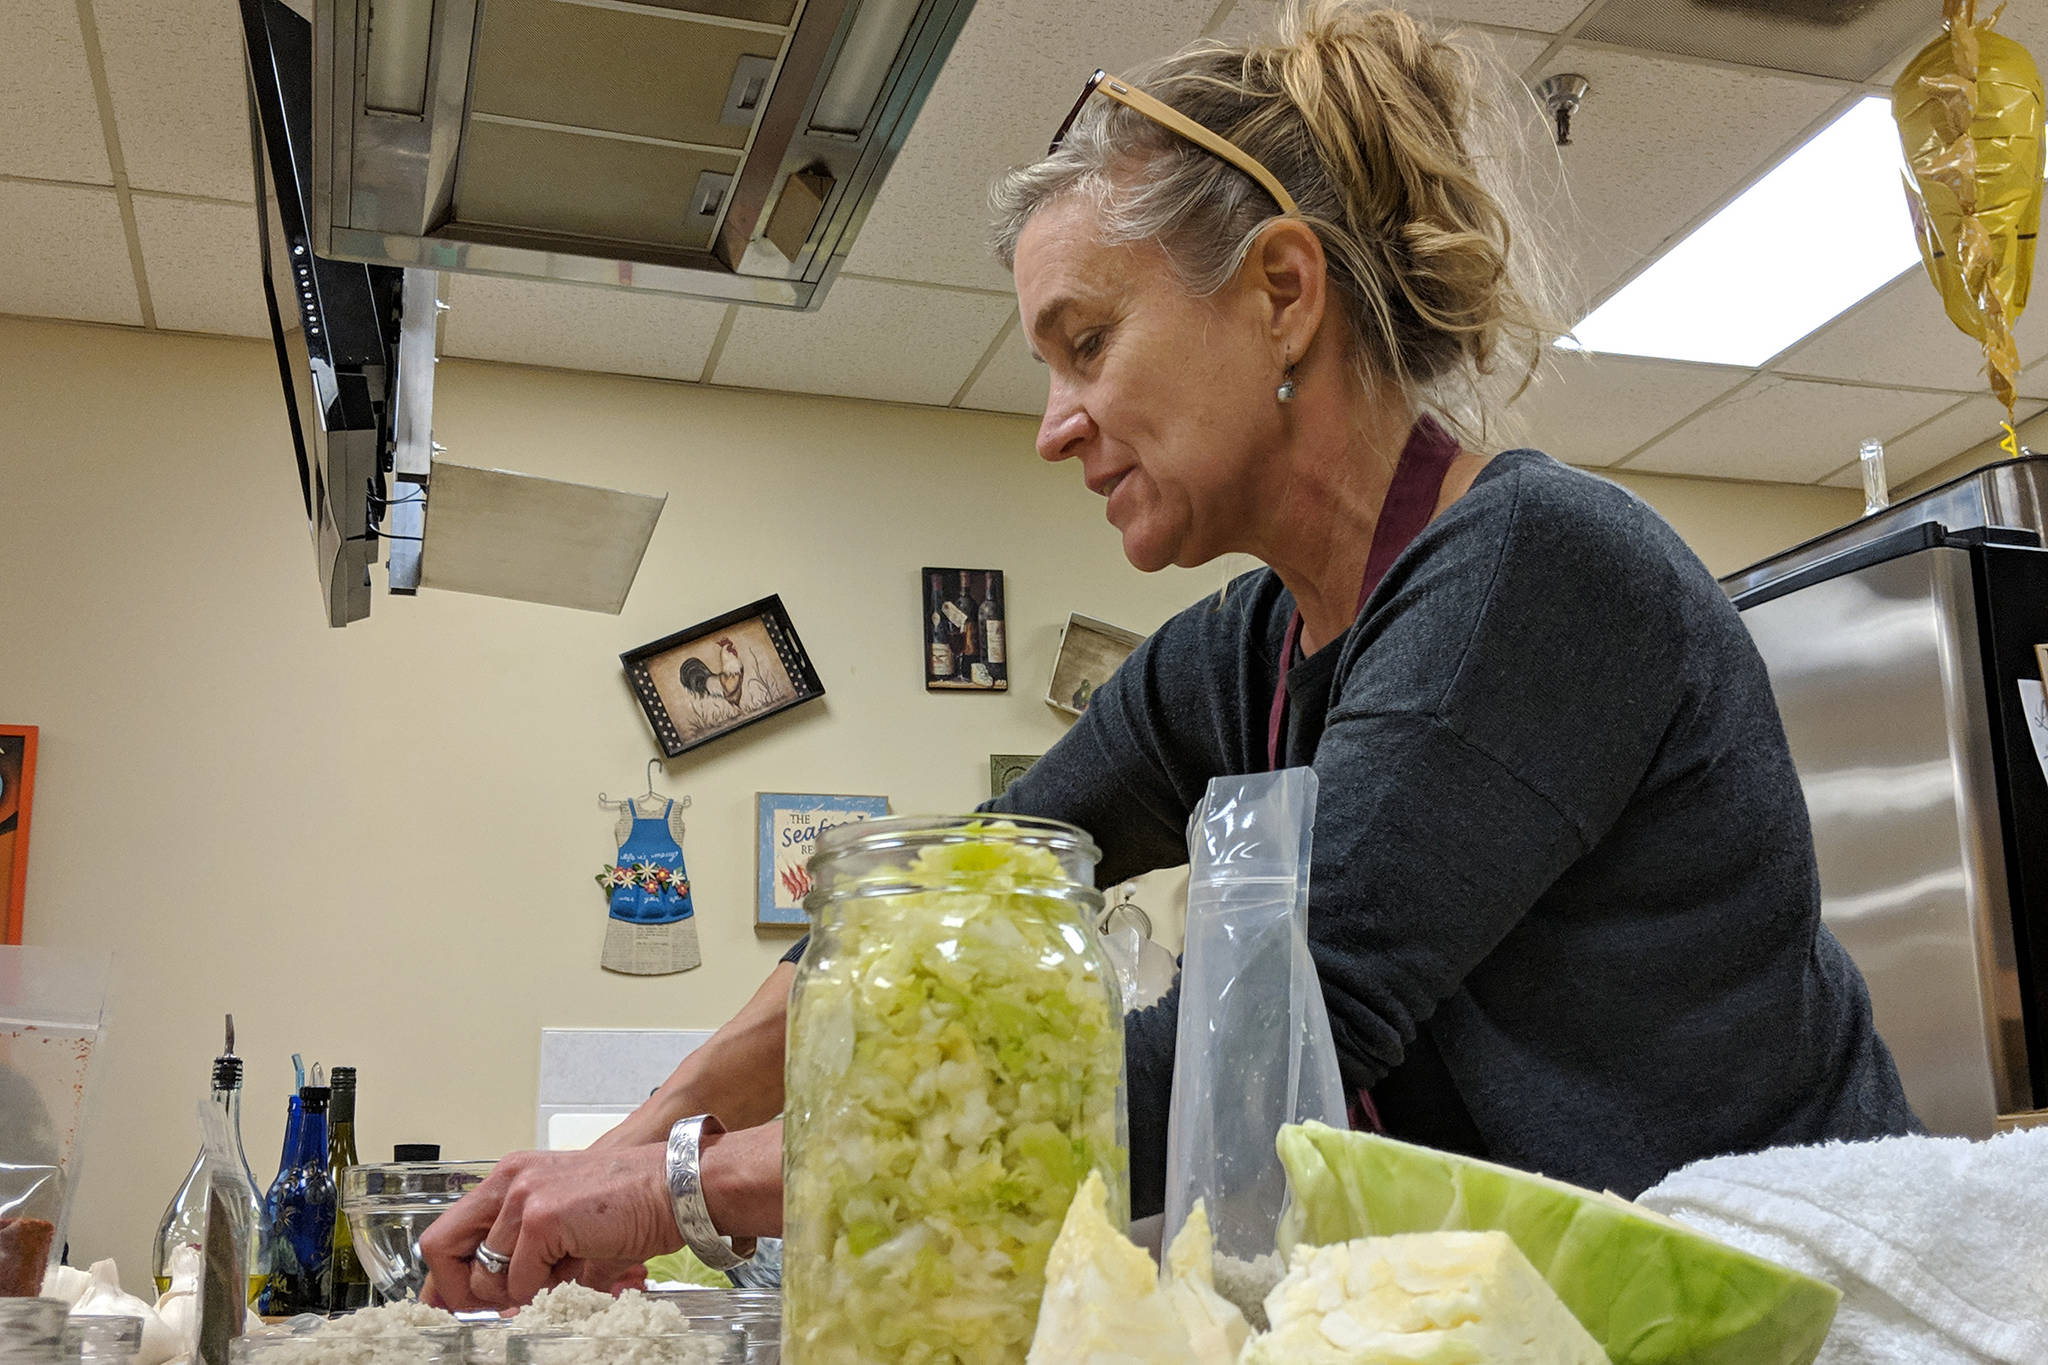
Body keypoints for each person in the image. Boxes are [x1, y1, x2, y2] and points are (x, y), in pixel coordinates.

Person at [420, 0, 1918, 1310]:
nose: (1054, 423)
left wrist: (682, 1193)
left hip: (1781, 1294)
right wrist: (637, 1138)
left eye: (1087, 343)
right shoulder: (1241, 653)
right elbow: (931, 908)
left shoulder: (1534, 573)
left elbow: (1247, 1066)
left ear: (1282, 293)